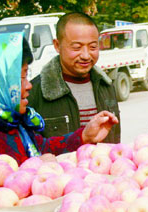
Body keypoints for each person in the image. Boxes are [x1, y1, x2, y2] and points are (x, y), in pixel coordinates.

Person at [0, 32, 118, 168]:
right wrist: (34, 168)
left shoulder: (14, 121)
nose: (28, 85)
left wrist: (84, 136)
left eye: (26, 76)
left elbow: (43, 148)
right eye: (20, 79)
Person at [28, 12, 121, 143]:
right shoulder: (35, 93)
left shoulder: (106, 85)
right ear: (57, 45)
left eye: (93, 47)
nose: (86, 55)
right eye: (77, 47)